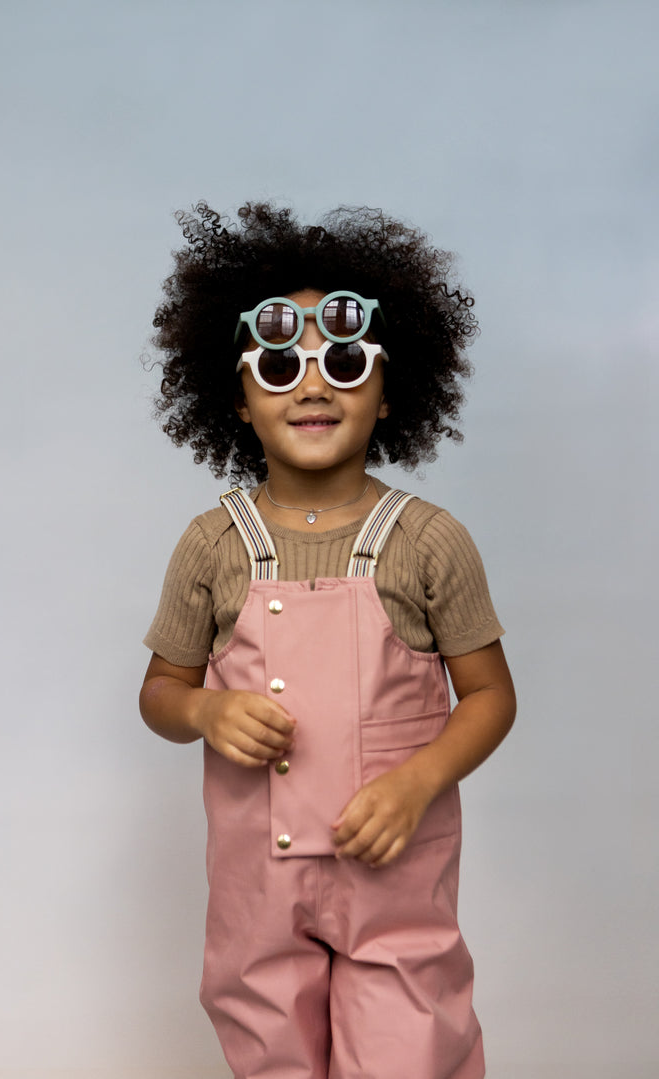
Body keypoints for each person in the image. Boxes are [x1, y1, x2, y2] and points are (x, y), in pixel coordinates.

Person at [140, 201, 516, 1079]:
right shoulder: (212, 543)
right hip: (255, 893)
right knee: (270, 1055)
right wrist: (201, 707)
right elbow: (159, 692)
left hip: (394, 870)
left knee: (409, 1052)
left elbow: (492, 695)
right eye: (280, 368)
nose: (313, 387)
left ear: (390, 390)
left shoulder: (429, 540)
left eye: (345, 362)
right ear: (236, 397)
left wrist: (420, 779)